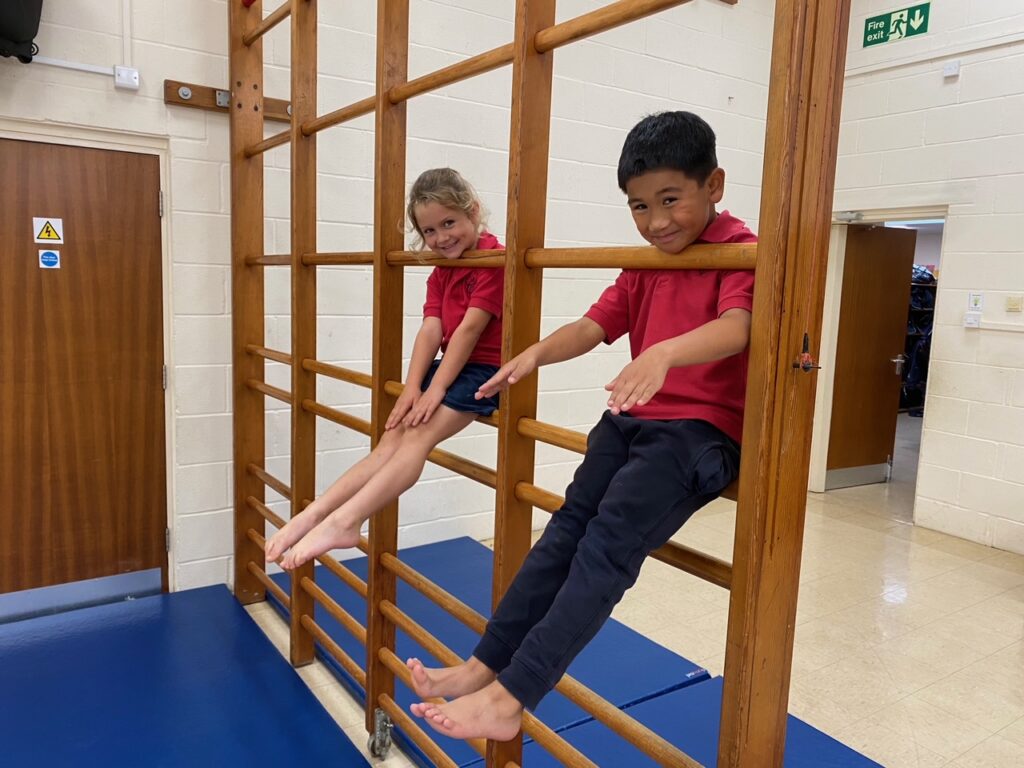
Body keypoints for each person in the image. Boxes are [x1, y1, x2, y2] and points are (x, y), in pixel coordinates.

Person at [408, 111, 756, 741]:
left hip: (697, 433)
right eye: (639, 207)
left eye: (671, 200)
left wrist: (665, 351)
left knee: (604, 548)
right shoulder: (651, 260)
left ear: (715, 185)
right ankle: (483, 667)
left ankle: (512, 697)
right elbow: (596, 325)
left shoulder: (741, 248)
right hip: (633, 421)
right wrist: (536, 352)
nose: (656, 222)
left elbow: (740, 327)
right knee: (563, 534)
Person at [265, 168, 504, 569]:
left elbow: (468, 331)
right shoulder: (443, 269)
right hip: (452, 367)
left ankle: (348, 519)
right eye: (429, 231)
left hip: (485, 371)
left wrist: (435, 390)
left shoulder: (493, 259)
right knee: (390, 440)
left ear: (474, 211)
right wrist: (413, 387)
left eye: (450, 223)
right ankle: (316, 513)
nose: (442, 237)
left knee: (415, 441)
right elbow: (432, 330)